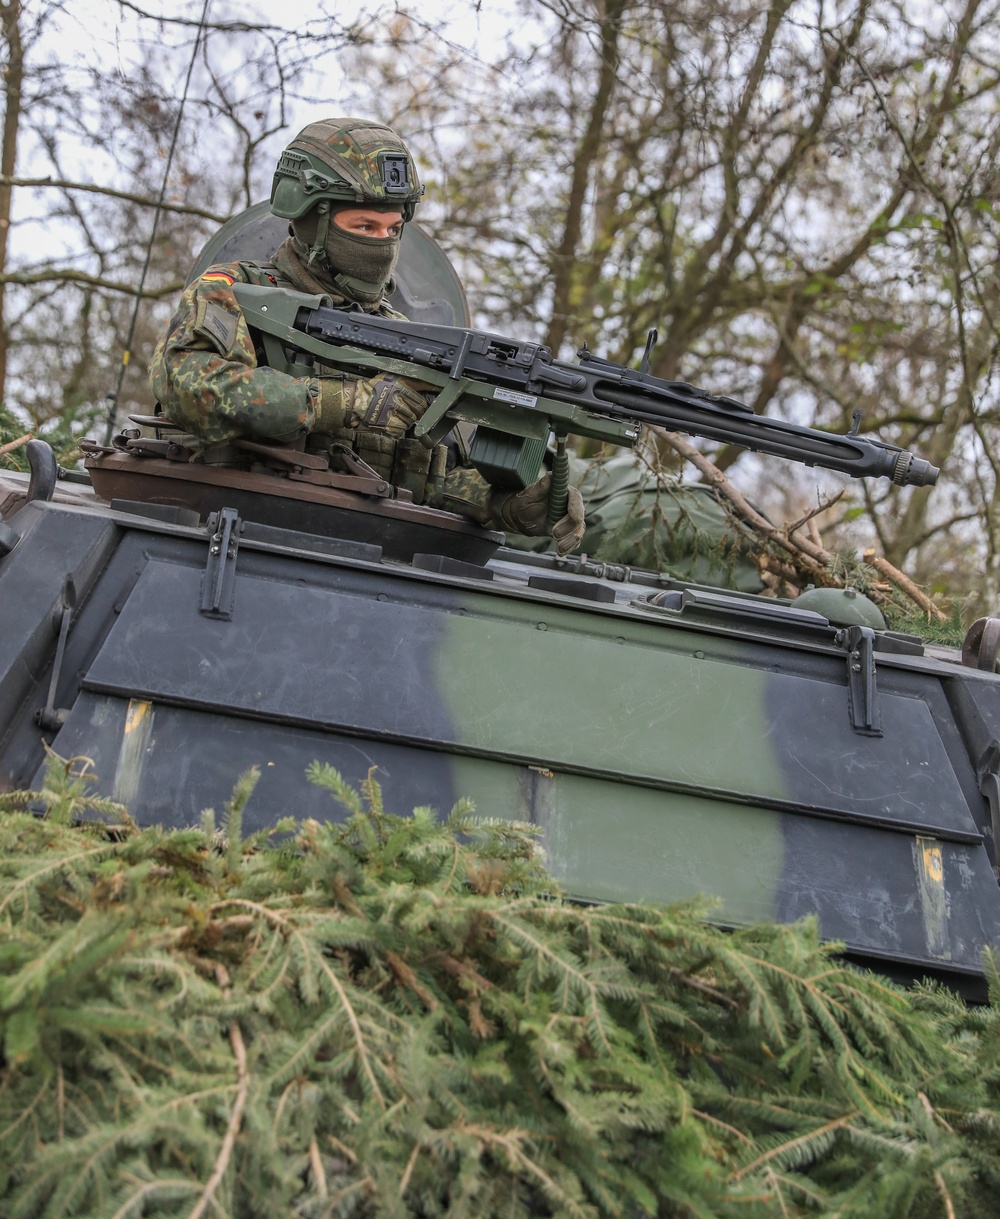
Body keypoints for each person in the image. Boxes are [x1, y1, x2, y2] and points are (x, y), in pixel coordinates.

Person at [148, 116, 585, 556]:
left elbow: (417, 477)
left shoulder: (405, 337)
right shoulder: (231, 291)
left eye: (393, 229)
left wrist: (502, 504)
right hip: (230, 542)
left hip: (355, 561)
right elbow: (188, 384)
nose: (383, 245)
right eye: (364, 228)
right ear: (310, 220)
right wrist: (348, 403)